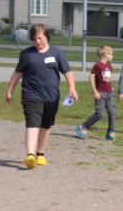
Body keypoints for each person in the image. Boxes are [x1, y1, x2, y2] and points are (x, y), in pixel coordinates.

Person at [5, 24, 78, 168]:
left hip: (51, 96)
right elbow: (17, 74)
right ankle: (30, 155)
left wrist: (72, 89)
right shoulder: (27, 54)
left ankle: (40, 154)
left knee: (45, 125)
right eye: (34, 39)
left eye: (40, 38)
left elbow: (67, 72)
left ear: (46, 37)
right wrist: (9, 90)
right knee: (32, 123)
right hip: (31, 95)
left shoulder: (56, 53)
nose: (37, 41)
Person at [75, 46, 116, 141]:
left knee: (112, 112)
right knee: (99, 113)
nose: (112, 56)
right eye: (111, 54)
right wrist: (95, 91)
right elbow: (92, 77)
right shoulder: (98, 66)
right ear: (105, 54)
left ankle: (111, 132)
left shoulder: (109, 66)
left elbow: (107, 79)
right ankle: (82, 127)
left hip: (110, 93)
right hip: (100, 93)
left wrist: (111, 86)